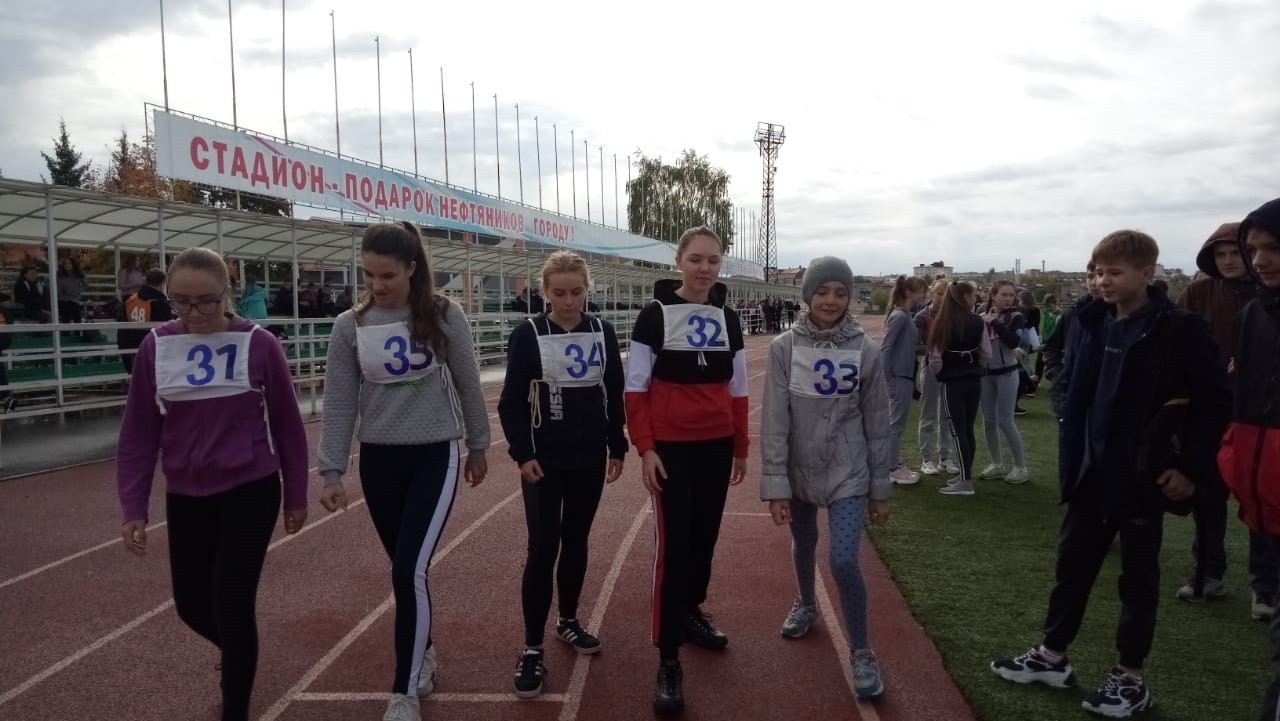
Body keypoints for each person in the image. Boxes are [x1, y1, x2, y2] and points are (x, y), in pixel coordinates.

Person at [992, 230, 1230, 718]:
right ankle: (1052, 656)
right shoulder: (1089, 319)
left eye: (1114, 272)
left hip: (1141, 474)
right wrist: (1064, 403)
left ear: (1148, 273)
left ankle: (1130, 677)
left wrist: (1190, 469)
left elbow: (1214, 405)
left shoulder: (1179, 328)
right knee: (1072, 565)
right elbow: (1060, 363)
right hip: (1089, 469)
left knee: (1137, 578)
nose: (1103, 280)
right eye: (1098, 271)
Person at [115, 247, 309, 721]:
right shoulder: (155, 347)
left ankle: (235, 704)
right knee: (190, 605)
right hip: (186, 494)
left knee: (232, 603)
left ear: (227, 293)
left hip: (250, 488)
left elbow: (287, 425)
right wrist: (133, 505)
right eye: (180, 301)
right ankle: (239, 653)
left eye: (205, 301)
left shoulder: (260, 345)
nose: (194, 312)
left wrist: (296, 494)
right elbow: (139, 431)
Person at [316, 222, 490, 721]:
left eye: (387, 275)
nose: (377, 285)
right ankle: (424, 650)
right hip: (379, 460)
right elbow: (340, 402)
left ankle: (404, 691)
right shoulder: (349, 326)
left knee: (407, 569)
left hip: (434, 455)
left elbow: (469, 383)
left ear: (412, 269)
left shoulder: (443, 314)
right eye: (368, 274)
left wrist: (478, 445)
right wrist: (331, 471)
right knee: (405, 569)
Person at [625, 225, 748, 716]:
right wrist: (645, 448)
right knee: (674, 550)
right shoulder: (654, 315)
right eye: (696, 258)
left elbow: (739, 388)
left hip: (716, 446)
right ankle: (668, 657)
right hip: (671, 449)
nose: (704, 268)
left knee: (705, 539)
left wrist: (740, 446)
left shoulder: (729, 317)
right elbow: (636, 388)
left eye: (713, 260)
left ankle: (691, 610)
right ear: (678, 261)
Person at [760, 256, 892, 700]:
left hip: (847, 471)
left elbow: (878, 423)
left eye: (840, 292)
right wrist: (776, 484)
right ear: (807, 296)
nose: (831, 300)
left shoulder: (866, 352)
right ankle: (806, 603)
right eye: (822, 291)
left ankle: (861, 650)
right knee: (804, 542)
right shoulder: (784, 348)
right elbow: (775, 419)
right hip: (798, 469)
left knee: (843, 560)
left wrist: (880, 489)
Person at [498, 250, 628, 698]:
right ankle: (532, 646)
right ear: (545, 292)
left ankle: (568, 620)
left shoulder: (602, 331)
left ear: (587, 289)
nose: (569, 301)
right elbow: (511, 402)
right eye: (559, 293)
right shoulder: (528, 334)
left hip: (588, 458)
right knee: (542, 548)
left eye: (576, 292)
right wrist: (522, 453)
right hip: (544, 461)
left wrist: (617, 444)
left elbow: (613, 390)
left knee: (576, 540)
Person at [1175, 220, 1273, 612]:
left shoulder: (1269, 295)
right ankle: (1207, 574)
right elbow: (1178, 347)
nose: (1229, 260)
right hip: (1208, 410)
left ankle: (1265, 586)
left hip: (1259, 412)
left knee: (1261, 500)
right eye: (1221, 254)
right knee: (1207, 497)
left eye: (1237, 252)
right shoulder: (1198, 292)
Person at [1216, 198, 1280, 719]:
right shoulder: (1254, 313)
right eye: (1253, 248)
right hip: (1266, 489)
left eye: (1274, 248)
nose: (1260, 260)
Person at [926, 281, 990, 496]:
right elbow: (986, 353)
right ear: (964, 298)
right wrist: (973, 364)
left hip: (953, 382)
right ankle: (965, 473)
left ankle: (965, 480)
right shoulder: (978, 321)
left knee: (958, 430)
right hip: (974, 379)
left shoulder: (942, 323)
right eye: (973, 295)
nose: (976, 299)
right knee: (968, 428)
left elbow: (935, 358)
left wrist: (942, 373)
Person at [978, 280, 1030, 483]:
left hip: (1007, 373)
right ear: (993, 295)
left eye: (1011, 295)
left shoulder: (1016, 316)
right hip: (985, 374)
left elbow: (1013, 341)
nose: (1009, 299)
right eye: (1004, 295)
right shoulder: (981, 312)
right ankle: (996, 464)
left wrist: (995, 323)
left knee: (1006, 420)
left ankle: (1021, 467)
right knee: (989, 420)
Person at [883, 275, 929, 484]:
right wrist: (887, 376)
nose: (924, 294)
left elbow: (907, 346)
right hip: (898, 376)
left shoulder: (906, 315)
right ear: (909, 292)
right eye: (921, 290)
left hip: (903, 374)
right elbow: (886, 347)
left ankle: (892, 463)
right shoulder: (900, 316)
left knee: (897, 422)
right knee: (895, 423)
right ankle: (891, 467)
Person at [914, 280, 959, 477]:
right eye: (939, 293)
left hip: (950, 370)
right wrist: (936, 350)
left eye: (946, 294)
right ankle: (927, 458)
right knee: (929, 415)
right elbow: (916, 345)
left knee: (947, 415)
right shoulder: (922, 316)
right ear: (932, 294)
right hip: (930, 369)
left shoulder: (954, 316)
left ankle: (945, 457)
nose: (942, 298)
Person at [117, 269, 172, 375]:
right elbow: (167, 330)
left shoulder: (130, 300)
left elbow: (122, 328)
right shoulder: (160, 304)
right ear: (163, 282)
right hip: (153, 350)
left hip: (132, 348)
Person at [56, 256, 86, 331]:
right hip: (63, 300)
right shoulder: (59, 275)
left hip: (74, 301)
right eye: (65, 263)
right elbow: (58, 290)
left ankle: (77, 333)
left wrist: (74, 291)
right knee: (67, 310)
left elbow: (82, 287)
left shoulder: (78, 276)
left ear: (73, 265)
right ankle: (65, 333)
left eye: (69, 263)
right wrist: (67, 292)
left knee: (76, 314)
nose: (67, 265)